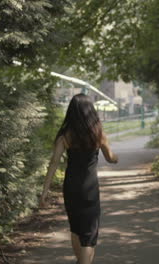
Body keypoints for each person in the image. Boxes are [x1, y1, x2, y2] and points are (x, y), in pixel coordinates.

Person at [39, 94, 118, 264]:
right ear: (91, 111)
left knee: (75, 228)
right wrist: (115, 158)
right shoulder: (98, 134)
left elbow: (53, 163)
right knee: (89, 234)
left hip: (71, 187)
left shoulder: (65, 136)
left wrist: (45, 191)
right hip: (89, 188)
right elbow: (111, 158)